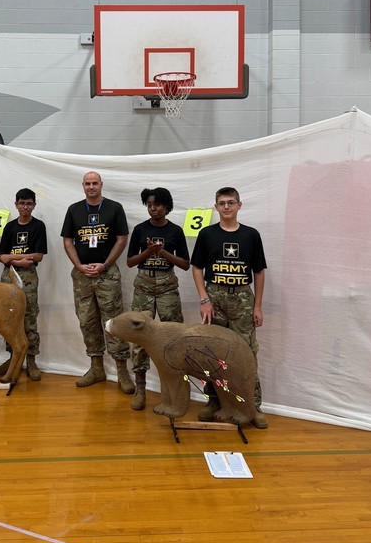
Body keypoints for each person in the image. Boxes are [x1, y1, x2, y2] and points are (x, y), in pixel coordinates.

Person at [191, 186, 269, 429]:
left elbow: (258, 272)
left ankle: (252, 406)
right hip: (215, 297)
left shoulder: (251, 235)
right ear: (216, 207)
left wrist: (257, 306)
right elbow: (197, 268)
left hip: (242, 299)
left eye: (231, 202)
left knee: (246, 353)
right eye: (222, 203)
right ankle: (214, 401)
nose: (226, 206)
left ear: (239, 205)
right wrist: (204, 299)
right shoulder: (207, 234)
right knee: (214, 352)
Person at [61, 170, 134, 394]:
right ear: (82, 186)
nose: (91, 187)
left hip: (107, 274)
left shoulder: (114, 208)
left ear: (101, 185)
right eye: (87, 184)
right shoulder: (74, 210)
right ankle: (96, 368)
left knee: (113, 322)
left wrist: (106, 264)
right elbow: (68, 241)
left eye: (95, 183)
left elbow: (122, 239)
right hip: (82, 275)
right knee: (87, 321)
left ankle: (122, 371)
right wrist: (79, 266)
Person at [126, 187, 190, 410]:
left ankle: (175, 388)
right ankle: (140, 388)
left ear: (167, 206)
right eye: (150, 205)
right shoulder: (140, 229)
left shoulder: (175, 231)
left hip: (167, 288)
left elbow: (184, 264)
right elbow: (130, 262)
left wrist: (162, 252)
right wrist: (149, 252)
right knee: (139, 336)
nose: (153, 208)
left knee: (174, 337)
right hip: (143, 287)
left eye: (158, 205)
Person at [0, 188, 47, 381]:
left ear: (34, 205)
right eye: (22, 203)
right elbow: (2, 256)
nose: (25, 207)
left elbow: (38, 255)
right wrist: (19, 260)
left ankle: (31, 360)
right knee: (9, 319)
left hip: (29, 277)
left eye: (29, 203)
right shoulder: (9, 227)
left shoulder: (38, 226)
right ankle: (12, 358)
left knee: (29, 316)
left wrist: (13, 257)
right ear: (16, 204)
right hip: (9, 277)